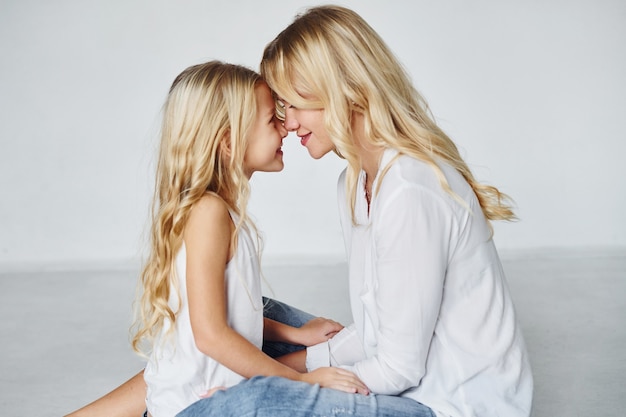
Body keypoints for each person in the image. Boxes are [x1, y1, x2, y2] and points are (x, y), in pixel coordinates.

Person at [177, 5, 533, 417]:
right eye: (281, 109)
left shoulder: (410, 191)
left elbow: (398, 368)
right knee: (244, 321)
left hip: (446, 405)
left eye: (295, 104)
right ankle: (178, 398)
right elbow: (371, 335)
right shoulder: (354, 182)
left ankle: (190, 406)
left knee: (255, 395)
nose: (288, 124)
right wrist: (280, 369)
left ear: (343, 91)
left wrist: (269, 381)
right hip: (406, 382)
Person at [64, 60, 369, 417]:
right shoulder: (209, 213)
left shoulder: (217, 210)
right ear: (228, 140)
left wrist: (295, 335)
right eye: (272, 120)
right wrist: (296, 381)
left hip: (202, 394)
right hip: (192, 406)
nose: (285, 129)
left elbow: (229, 315)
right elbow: (210, 333)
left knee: (272, 309)